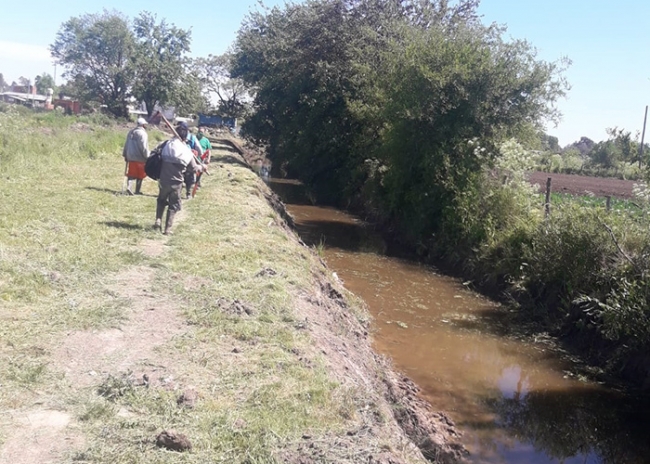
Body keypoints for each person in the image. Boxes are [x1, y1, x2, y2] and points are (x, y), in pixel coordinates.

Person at [154, 124, 207, 235]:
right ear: (185, 136)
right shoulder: (186, 151)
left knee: (161, 200)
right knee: (173, 205)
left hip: (163, 180)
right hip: (176, 183)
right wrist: (202, 167)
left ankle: (158, 220)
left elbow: (155, 152)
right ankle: (167, 229)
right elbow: (193, 168)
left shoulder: (166, 145)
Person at [176, 122, 204, 199]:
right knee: (190, 177)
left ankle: (178, 193)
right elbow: (200, 151)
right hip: (189, 160)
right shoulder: (192, 137)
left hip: (178, 160)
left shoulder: (176, 138)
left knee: (179, 176)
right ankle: (188, 194)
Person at [122, 117, 150, 195]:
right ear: (143, 125)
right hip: (140, 158)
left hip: (131, 157)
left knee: (131, 173)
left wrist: (125, 154)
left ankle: (129, 187)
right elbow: (144, 147)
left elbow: (126, 144)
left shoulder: (131, 132)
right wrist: (147, 156)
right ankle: (137, 190)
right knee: (140, 175)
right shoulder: (143, 133)